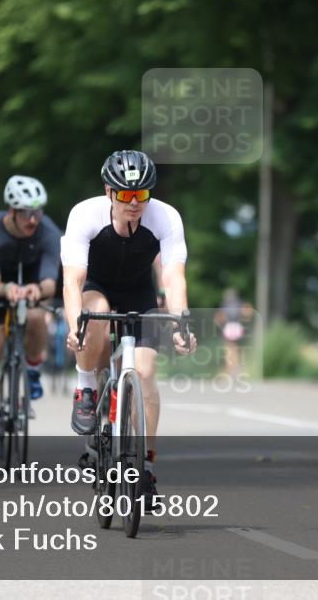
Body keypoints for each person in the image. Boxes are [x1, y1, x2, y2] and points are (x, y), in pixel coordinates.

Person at [61, 150, 196, 505]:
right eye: (125, 195)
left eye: (141, 195)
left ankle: (146, 468)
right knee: (96, 320)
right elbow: (72, 281)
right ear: (109, 191)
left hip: (139, 291)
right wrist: (76, 326)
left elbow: (173, 276)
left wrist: (182, 322)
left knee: (147, 373)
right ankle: (86, 388)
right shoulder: (84, 214)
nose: (134, 203)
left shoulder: (166, 217)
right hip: (98, 287)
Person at [0, 175, 61, 458]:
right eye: (26, 213)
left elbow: (50, 281)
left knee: (37, 317)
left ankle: (32, 367)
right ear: (11, 211)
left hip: (33, 280)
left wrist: (38, 289)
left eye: (37, 212)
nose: (33, 220)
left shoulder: (49, 233)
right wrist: (7, 289)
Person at [214, 288, 254, 379]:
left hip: (229, 327)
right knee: (236, 348)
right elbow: (248, 312)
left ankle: (230, 369)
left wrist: (219, 323)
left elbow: (219, 318)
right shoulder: (239, 303)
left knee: (229, 348)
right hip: (237, 326)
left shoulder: (224, 305)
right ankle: (236, 368)